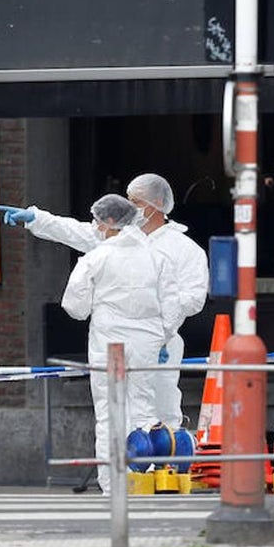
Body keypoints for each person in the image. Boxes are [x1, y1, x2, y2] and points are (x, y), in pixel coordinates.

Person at [0, 173, 209, 428]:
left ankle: (165, 462)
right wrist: (37, 218)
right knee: (114, 414)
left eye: (135, 201)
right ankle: (120, 466)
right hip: (118, 341)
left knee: (160, 407)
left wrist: (163, 328)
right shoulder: (117, 238)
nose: (130, 207)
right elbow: (76, 231)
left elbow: (193, 297)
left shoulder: (184, 250)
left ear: (155, 204)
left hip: (156, 342)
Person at [58, 194, 174, 495]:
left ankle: (113, 485)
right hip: (147, 342)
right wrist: (162, 336)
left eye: (97, 220)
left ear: (109, 222)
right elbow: (171, 304)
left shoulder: (97, 257)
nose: (94, 226)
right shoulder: (155, 256)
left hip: (109, 344)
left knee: (110, 412)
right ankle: (146, 478)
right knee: (144, 409)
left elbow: (75, 307)